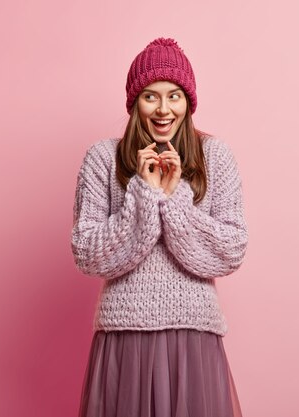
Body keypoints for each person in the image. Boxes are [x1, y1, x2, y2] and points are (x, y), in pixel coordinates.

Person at [71, 37, 248, 417]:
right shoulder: (103, 157)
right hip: (124, 334)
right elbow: (87, 254)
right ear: (134, 102)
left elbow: (230, 250)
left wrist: (175, 199)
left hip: (193, 336)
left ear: (188, 102)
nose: (163, 108)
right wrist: (143, 194)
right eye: (150, 96)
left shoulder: (216, 156)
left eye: (174, 95)